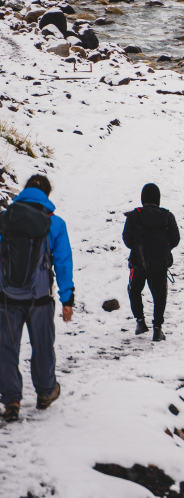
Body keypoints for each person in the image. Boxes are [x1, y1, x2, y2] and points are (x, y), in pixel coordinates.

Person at [0, 174, 74, 422]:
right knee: (42, 347)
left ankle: (11, 399)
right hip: (40, 299)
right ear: (47, 195)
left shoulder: (5, 219)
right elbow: (63, 263)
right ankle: (45, 393)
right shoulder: (55, 224)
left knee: (6, 349)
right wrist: (67, 299)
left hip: (7, 297)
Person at [123, 184, 180, 342]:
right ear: (158, 199)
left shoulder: (134, 216)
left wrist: (138, 247)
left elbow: (127, 240)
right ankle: (157, 329)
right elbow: (175, 239)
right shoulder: (167, 216)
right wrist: (164, 247)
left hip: (138, 263)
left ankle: (140, 323)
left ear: (143, 198)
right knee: (159, 296)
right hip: (159, 264)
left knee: (134, 291)